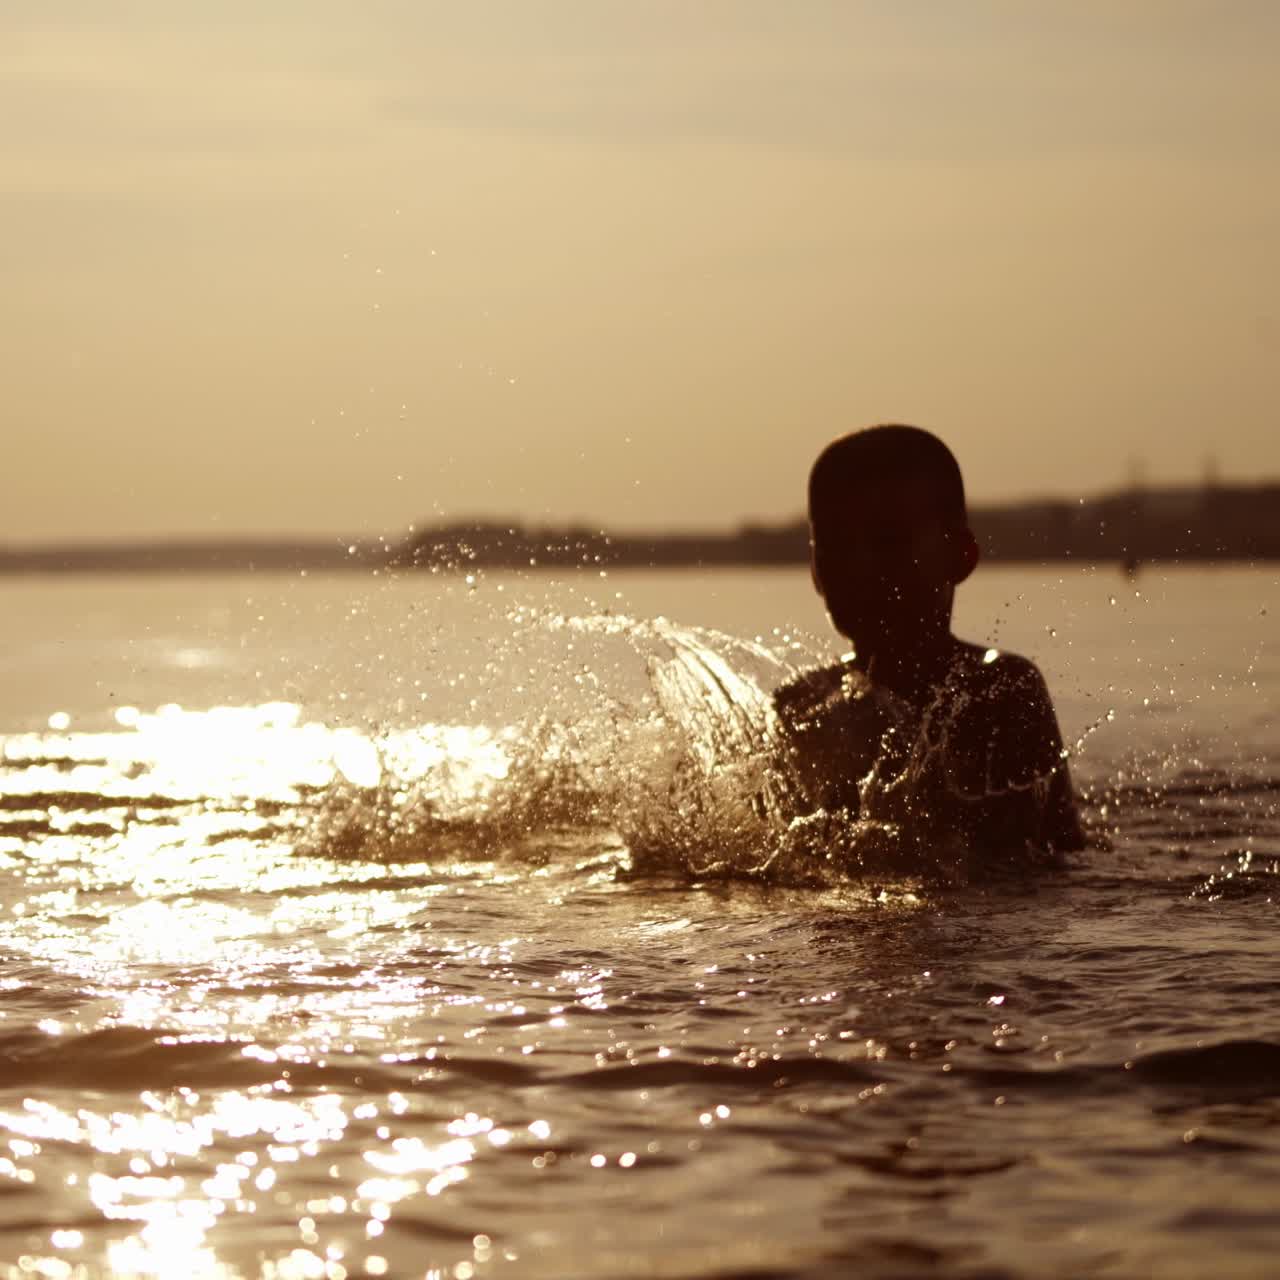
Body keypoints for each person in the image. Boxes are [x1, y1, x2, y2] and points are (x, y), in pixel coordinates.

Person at [773, 424, 1084, 873]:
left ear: (961, 556)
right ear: (814, 572)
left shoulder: (999, 689)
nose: (860, 568)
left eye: (889, 542)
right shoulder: (801, 705)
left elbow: (1053, 855)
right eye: (838, 547)